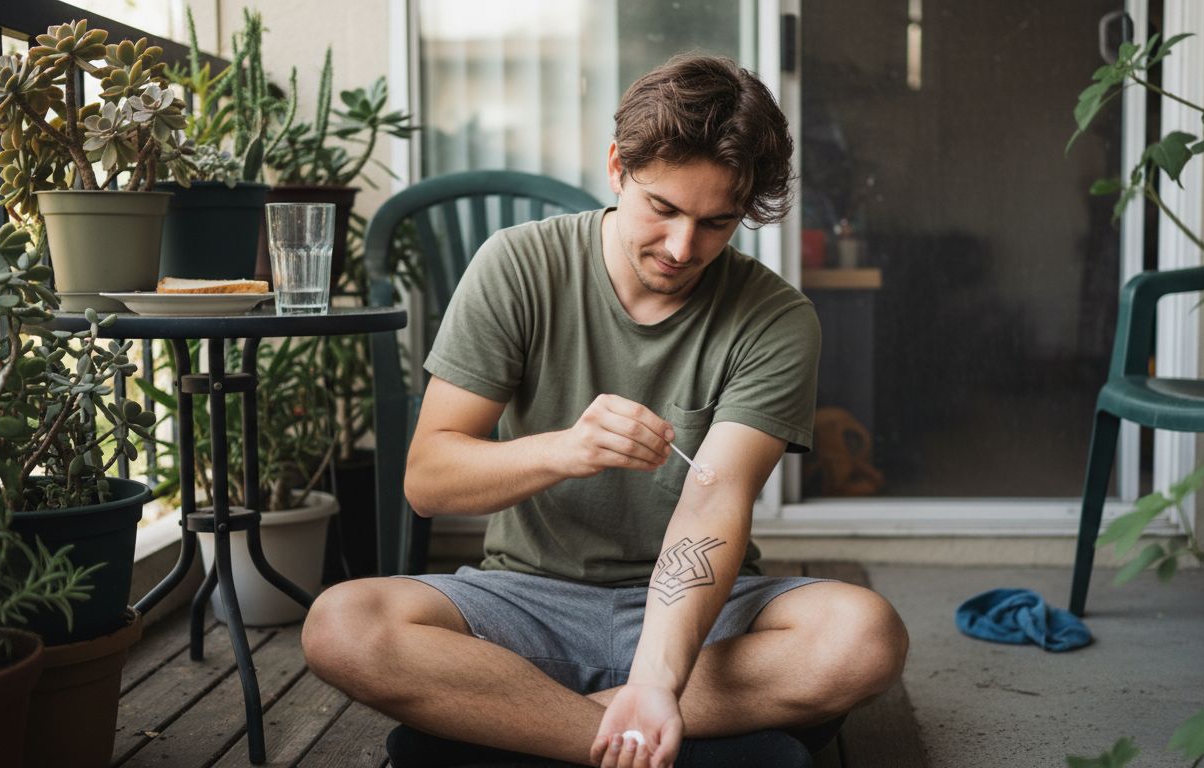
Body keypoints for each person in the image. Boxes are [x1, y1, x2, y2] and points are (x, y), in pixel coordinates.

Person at [303, 55, 908, 768]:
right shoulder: (517, 265)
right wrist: (565, 450)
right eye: (664, 209)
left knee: (865, 637)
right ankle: (630, 742)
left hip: (704, 618)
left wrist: (656, 676)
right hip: (526, 600)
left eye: (718, 223)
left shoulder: (776, 318)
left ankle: (524, 724)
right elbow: (429, 480)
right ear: (619, 168)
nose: (684, 249)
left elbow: (714, 508)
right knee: (340, 624)